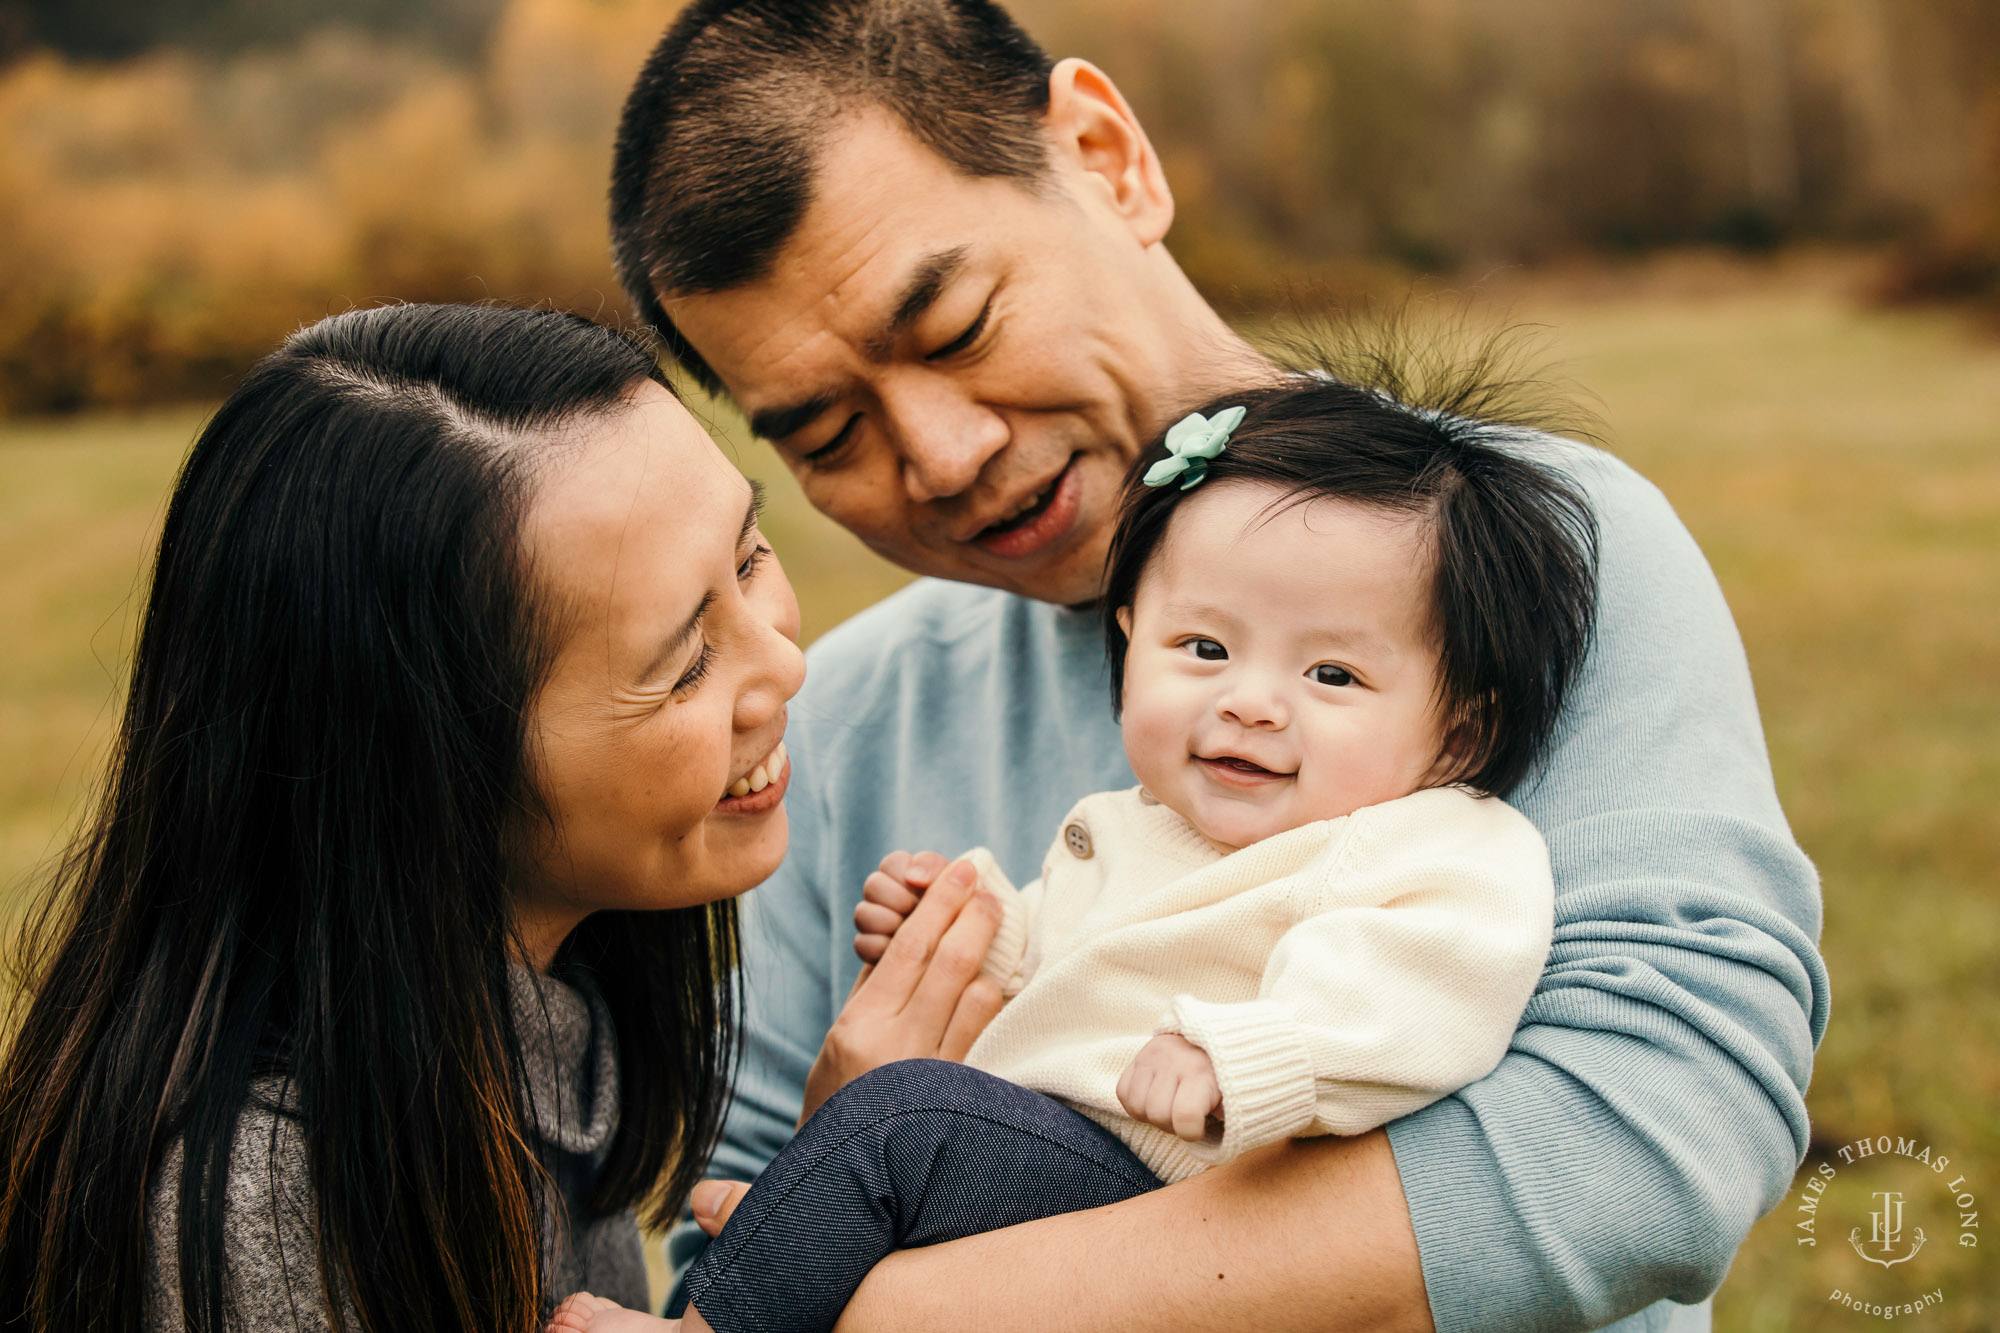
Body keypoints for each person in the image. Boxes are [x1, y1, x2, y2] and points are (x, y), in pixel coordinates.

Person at [610, 3, 1830, 1331]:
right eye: (831, 433)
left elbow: (1648, 1136)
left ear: (1105, 154)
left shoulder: (1523, 565)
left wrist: (913, 1298)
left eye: (957, 325)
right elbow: (729, 1237)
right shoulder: (840, 722)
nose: (942, 455)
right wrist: (844, 1136)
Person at [0, 303, 1000, 1333]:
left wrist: (835, 1184)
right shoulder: (258, 1206)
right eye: (683, 664)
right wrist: (844, 1179)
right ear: (434, 771)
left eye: (747, 558)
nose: (785, 664)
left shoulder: (525, 1027)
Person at [546, 370, 1602, 1333]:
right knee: (878, 1155)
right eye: (1203, 648)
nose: (1248, 700)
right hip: (1069, 1169)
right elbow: (1077, 964)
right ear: (1132, 636)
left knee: (900, 1120)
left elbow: (1428, 986)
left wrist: (1254, 1053)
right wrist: (979, 931)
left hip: (1180, 1205)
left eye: (1330, 675)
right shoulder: (1146, 825)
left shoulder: (1428, 839)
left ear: (1458, 727)